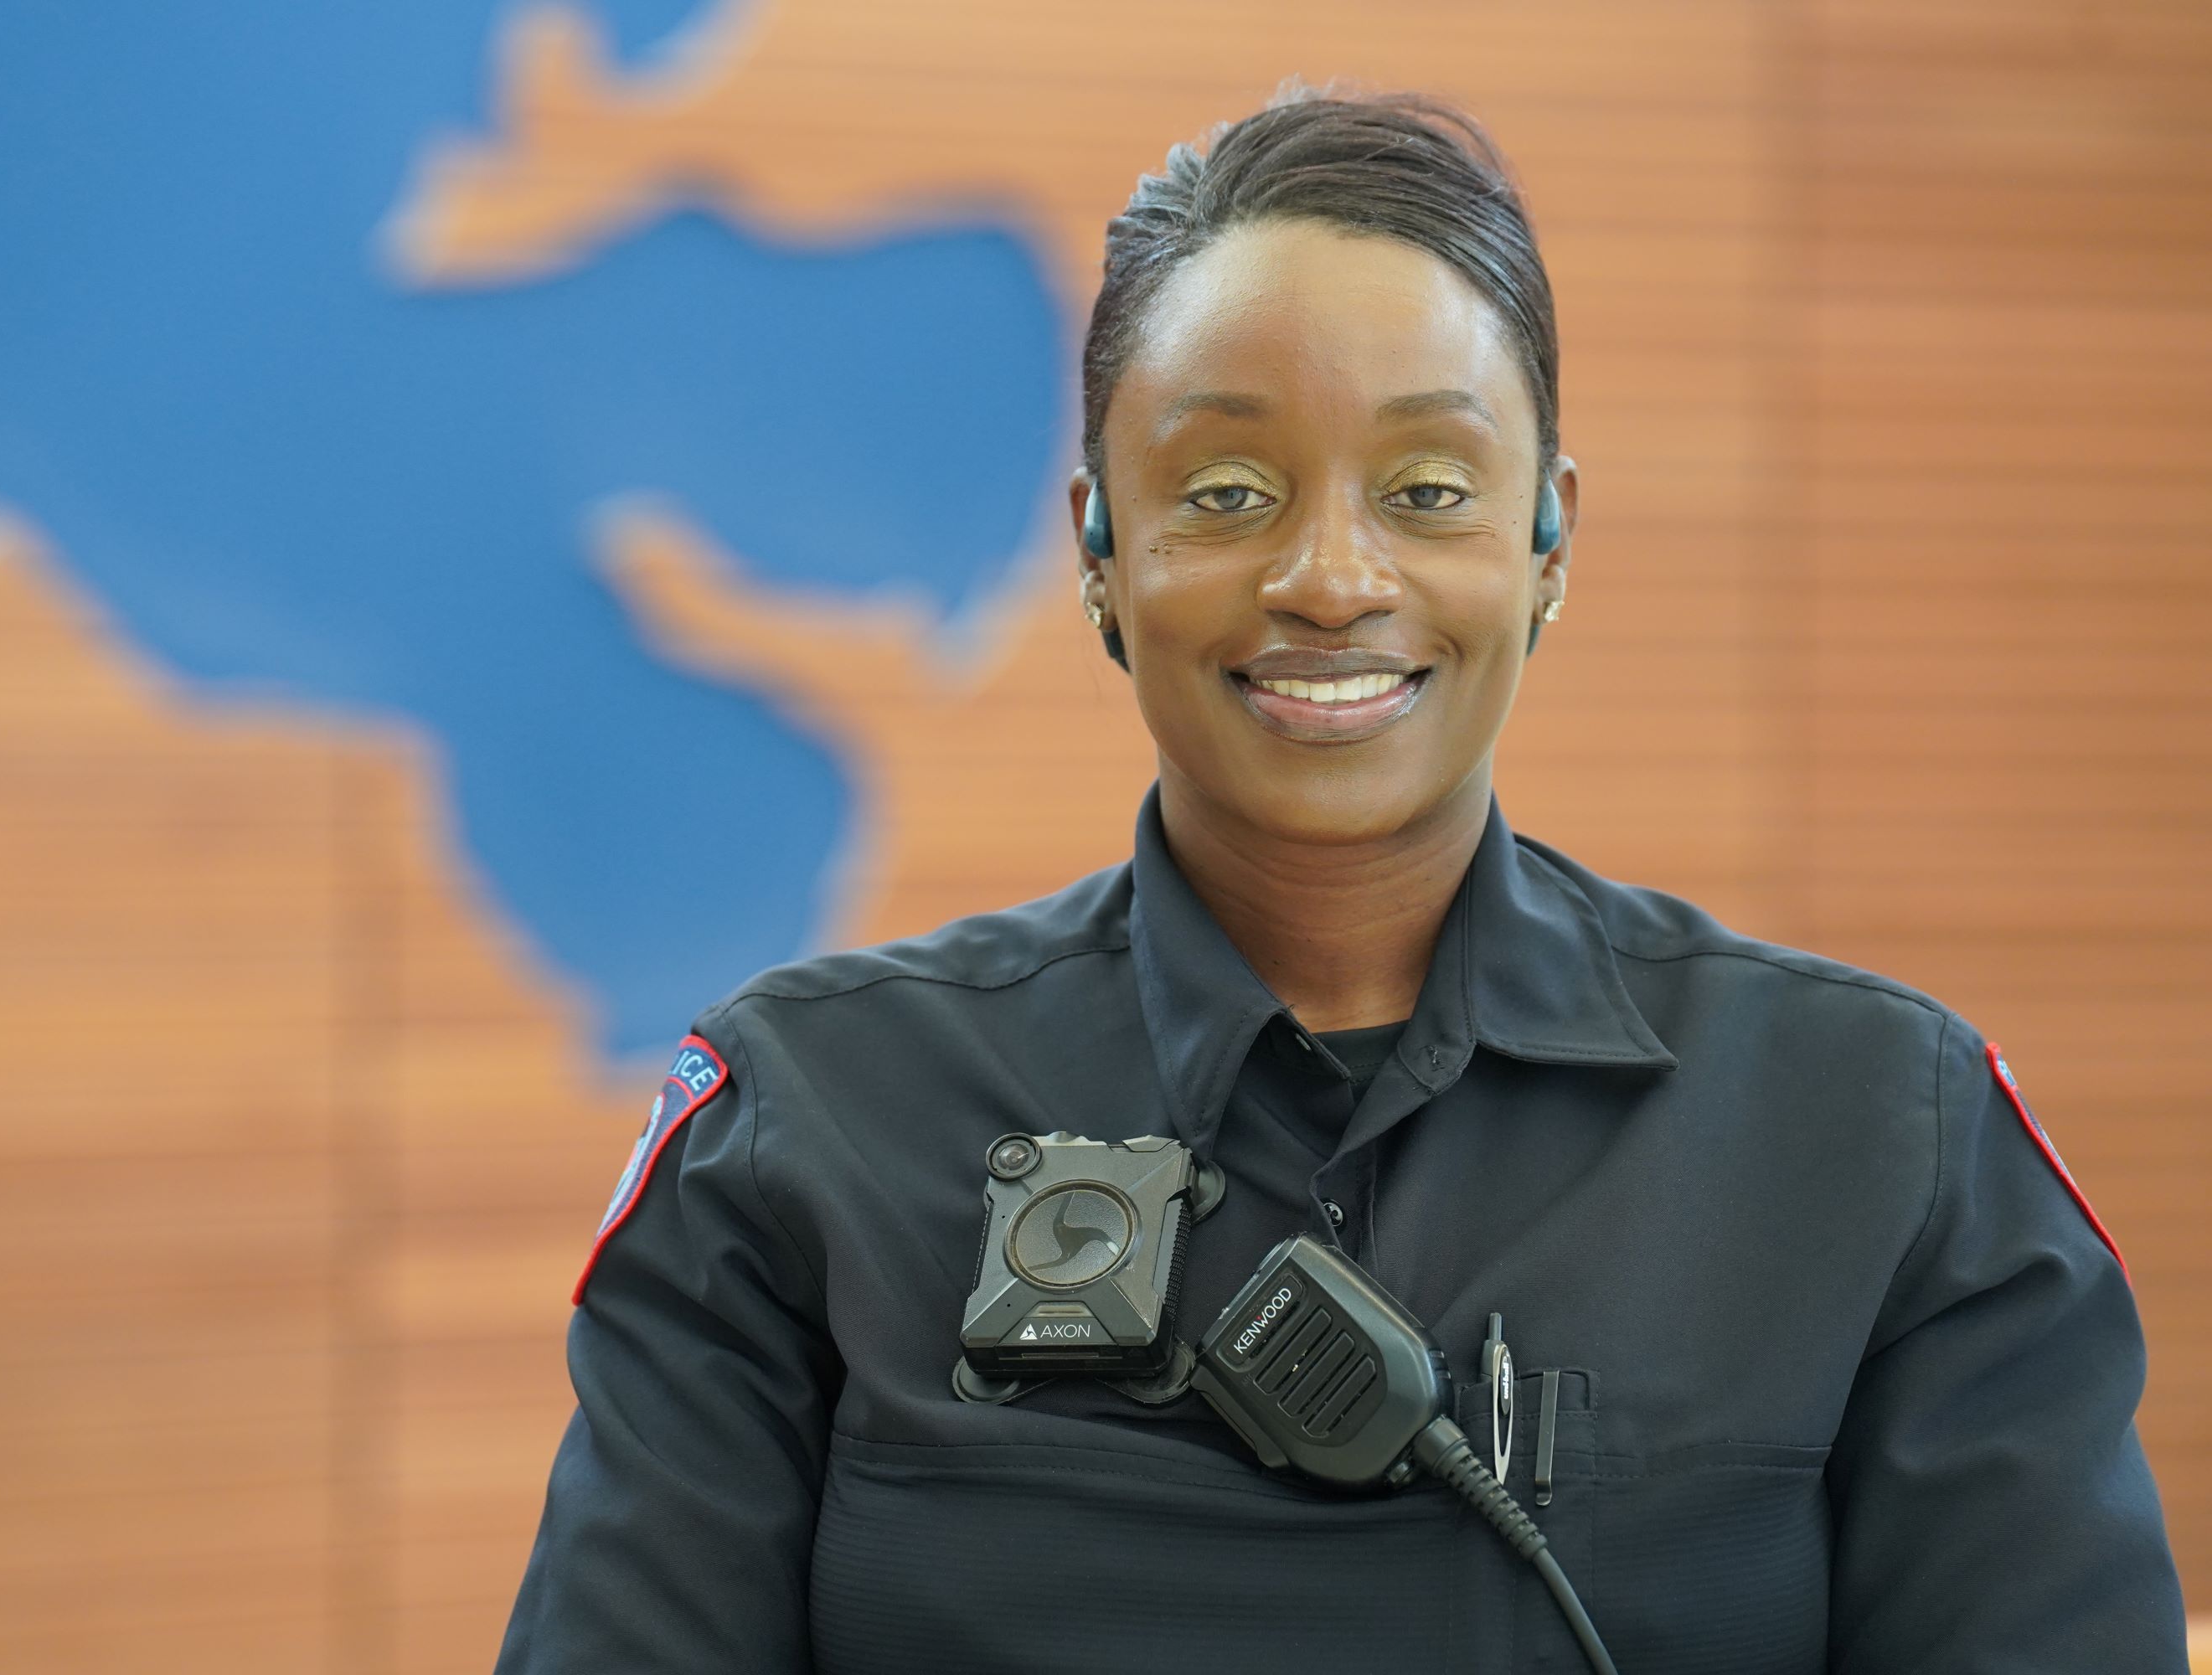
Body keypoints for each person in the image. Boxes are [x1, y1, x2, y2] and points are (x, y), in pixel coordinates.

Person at [493, 90, 2185, 1673]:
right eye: (1225, 492)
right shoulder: (806, 1122)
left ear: (1549, 546)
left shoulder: (1881, 1134)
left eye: (1429, 490)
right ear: (1101, 550)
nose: (1329, 576)